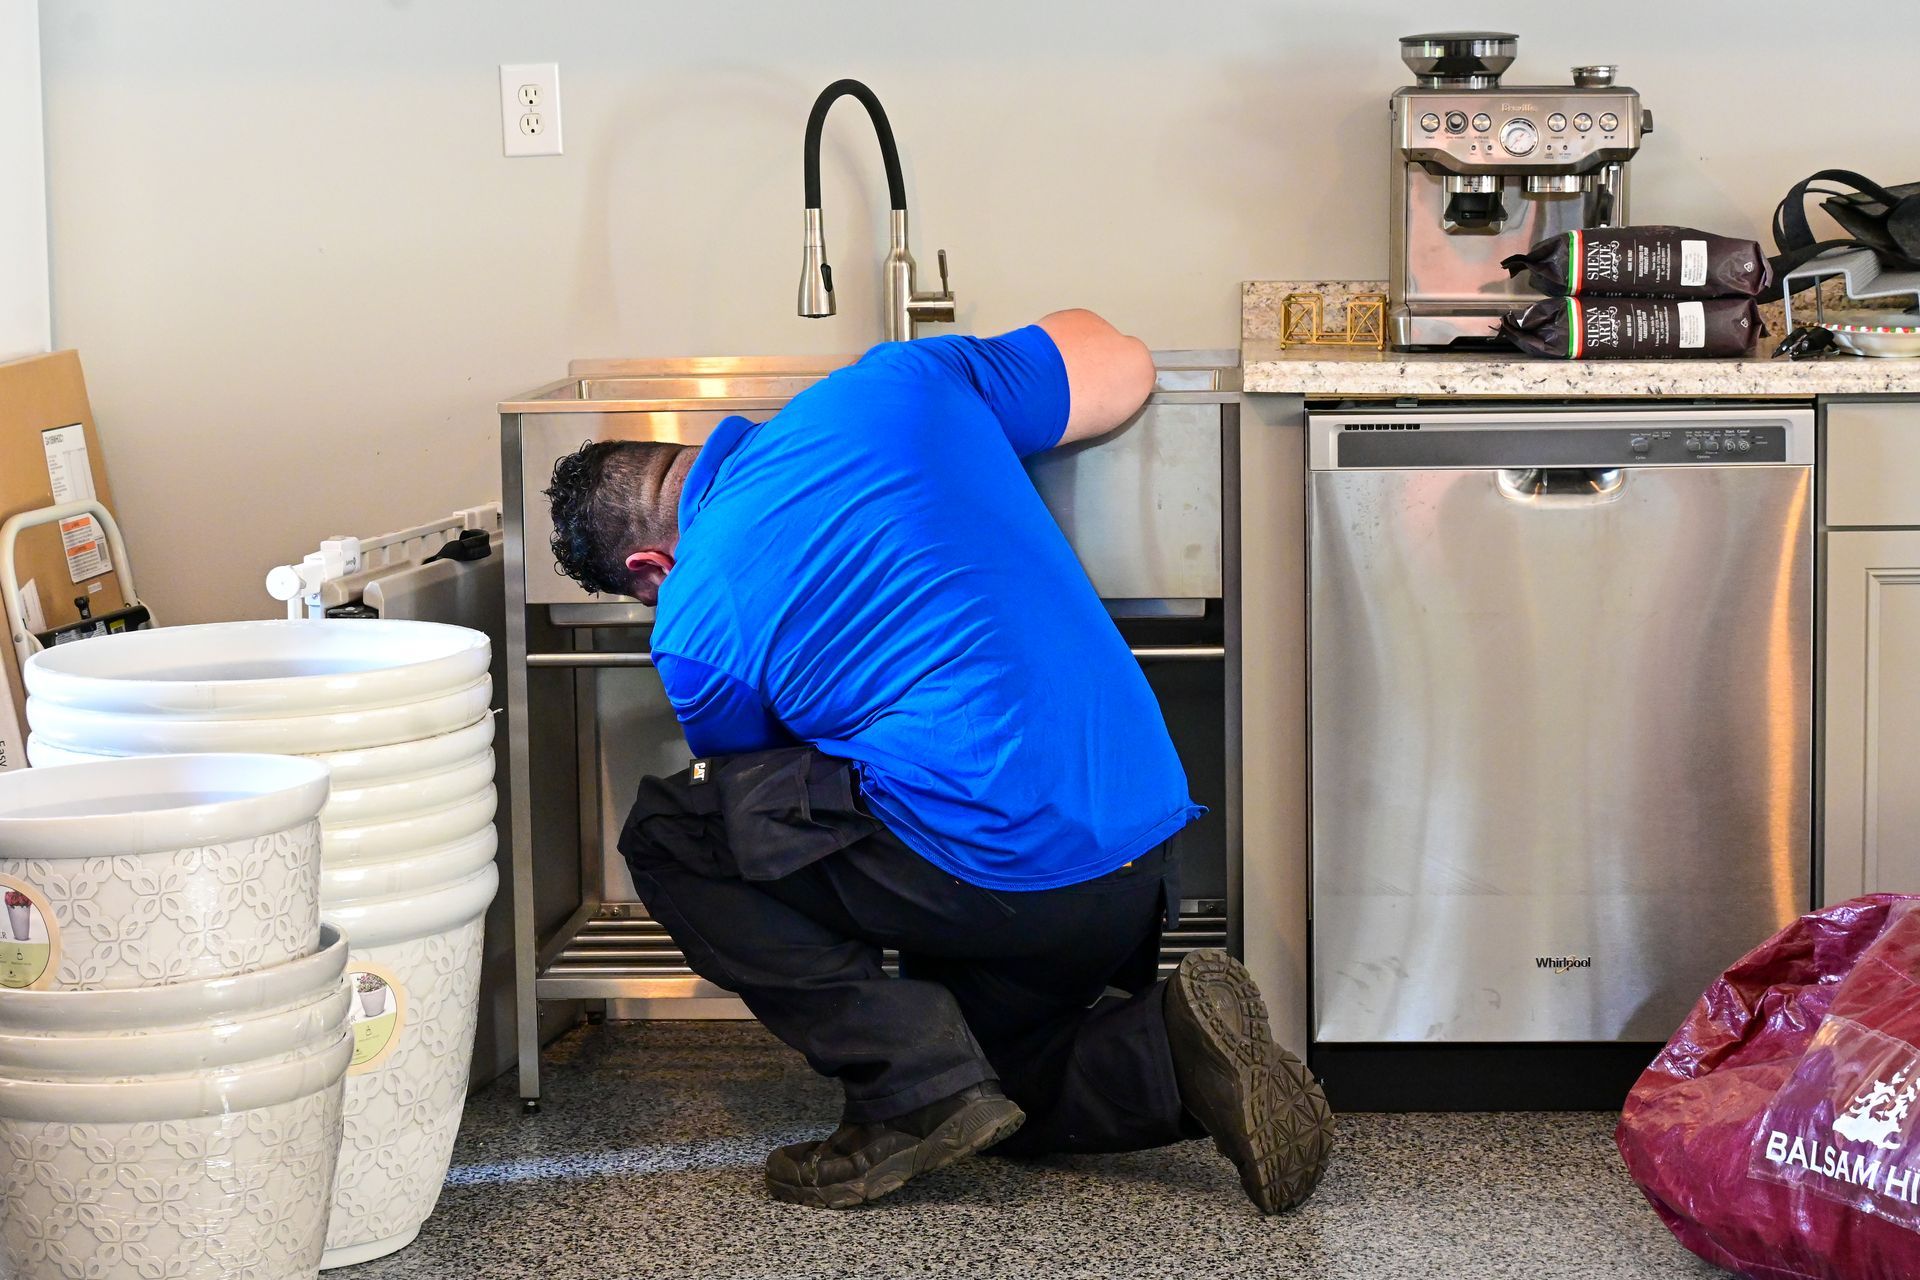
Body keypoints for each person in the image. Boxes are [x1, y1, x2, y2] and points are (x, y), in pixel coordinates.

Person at [543, 310, 1334, 1212]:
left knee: (674, 829)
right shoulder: (898, 383)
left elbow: (767, 814)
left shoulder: (693, 617)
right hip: (1138, 851)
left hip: (991, 870)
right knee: (996, 1091)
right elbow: (1118, 357)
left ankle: (902, 1084)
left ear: (649, 562)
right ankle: (1175, 1053)